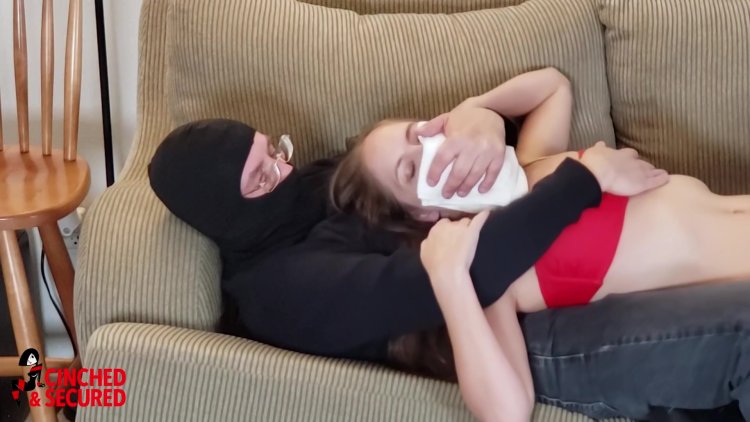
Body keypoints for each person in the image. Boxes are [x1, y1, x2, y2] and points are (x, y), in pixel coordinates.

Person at [330, 67, 750, 419]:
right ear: (423, 212)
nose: (431, 152)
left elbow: (553, 86)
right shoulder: (496, 263)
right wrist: (450, 278)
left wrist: (474, 110)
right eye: (410, 170)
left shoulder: (530, 161)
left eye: (417, 134)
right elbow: (506, 411)